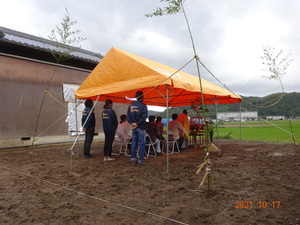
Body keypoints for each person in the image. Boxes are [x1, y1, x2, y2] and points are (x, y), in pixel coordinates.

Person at [127, 91, 148, 166]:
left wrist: (132, 123)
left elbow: (128, 116)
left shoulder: (131, 106)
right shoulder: (143, 106)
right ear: (142, 97)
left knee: (134, 144)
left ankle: (133, 159)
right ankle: (140, 160)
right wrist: (137, 123)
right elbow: (144, 117)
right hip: (141, 127)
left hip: (133, 127)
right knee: (141, 144)